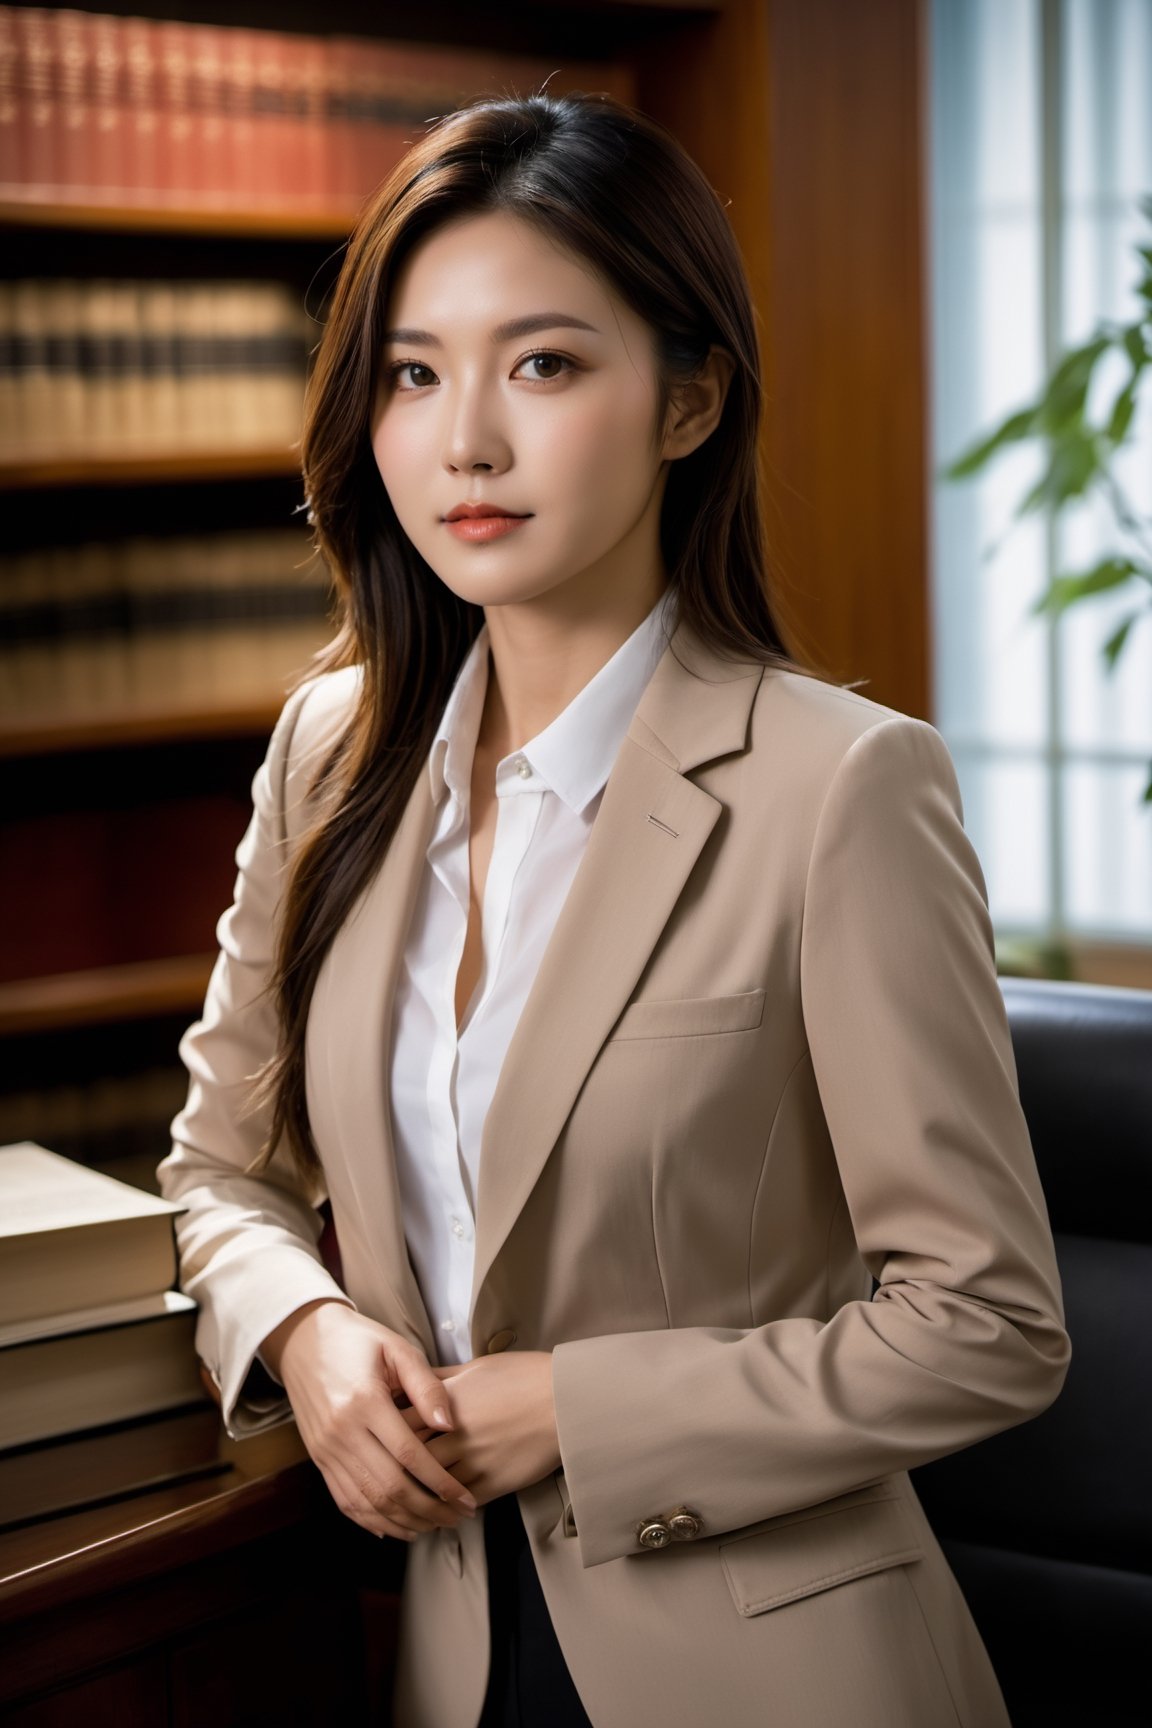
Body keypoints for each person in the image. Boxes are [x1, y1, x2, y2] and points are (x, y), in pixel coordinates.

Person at [157, 89, 1070, 1728]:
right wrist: (299, 1327)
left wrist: (578, 1406)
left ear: (688, 401)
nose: (467, 443)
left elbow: (988, 1324)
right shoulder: (332, 753)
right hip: (441, 1645)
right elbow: (222, 1170)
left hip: (777, 1669)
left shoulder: (841, 788)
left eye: (547, 365)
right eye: (415, 374)